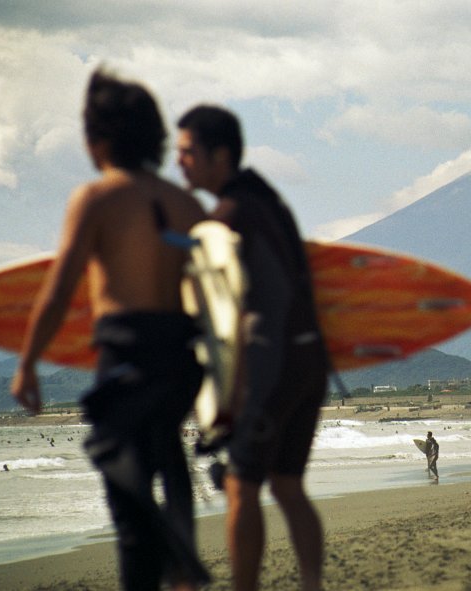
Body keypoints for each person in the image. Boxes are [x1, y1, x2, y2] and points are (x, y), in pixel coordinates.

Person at [11, 70, 208, 590]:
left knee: (123, 473)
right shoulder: (188, 206)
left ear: (97, 139)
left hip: (125, 351)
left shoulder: (96, 199)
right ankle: (180, 555)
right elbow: (213, 295)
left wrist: (29, 362)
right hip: (181, 354)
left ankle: (162, 562)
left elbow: (57, 291)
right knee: (165, 449)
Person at [177, 105, 330, 591]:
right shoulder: (269, 202)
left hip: (272, 365)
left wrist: (232, 392)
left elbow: (231, 314)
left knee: (242, 486)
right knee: (286, 485)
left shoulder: (230, 215)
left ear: (218, 156)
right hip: (310, 361)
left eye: (187, 152)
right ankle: (311, 585)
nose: (179, 161)